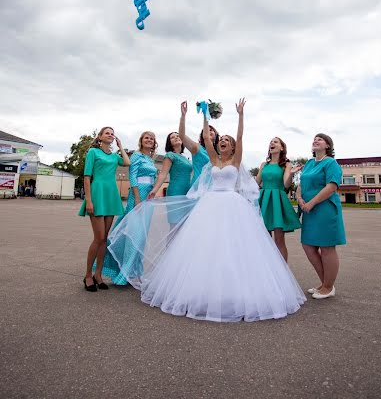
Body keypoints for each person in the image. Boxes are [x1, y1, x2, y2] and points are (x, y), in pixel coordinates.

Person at [108, 100, 305, 322]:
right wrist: (202, 117)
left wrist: (240, 115)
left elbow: (240, 137)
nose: (223, 142)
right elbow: (204, 139)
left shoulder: (236, 159)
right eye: (221, 140)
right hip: (210, 204)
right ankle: (203, 287)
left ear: (232, 147)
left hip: (231, 205)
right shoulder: (212, 159)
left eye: (226, 141)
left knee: (232, 246)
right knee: (205, 246)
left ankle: (233, 288)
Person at [101, 131, 158, 285]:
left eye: (152, 139)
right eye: (146, 138)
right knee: (135, 236)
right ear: (141, 140)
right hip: (138, 196)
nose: (149, 140)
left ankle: (134, 272)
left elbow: (153, 178)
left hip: (149, 198)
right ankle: (123, 274)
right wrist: (137, 198)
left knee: (141, 238)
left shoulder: (150, 159)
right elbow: (132, 176)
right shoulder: (137, 156)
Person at [78, 127, 130, 292]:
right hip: (97, 193)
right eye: (107, 132)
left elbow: (127, 163)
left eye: (112, 133)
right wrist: (88, 200)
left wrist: (120, 146)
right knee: (98, 238)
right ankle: (87, 275)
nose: (110, 135)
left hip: (111, 195)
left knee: (105, 238)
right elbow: (87, 177)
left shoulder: (115, 156)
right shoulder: (93, 152)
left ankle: (98, 275)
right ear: (100, 137)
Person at [297, 133, 346, 299]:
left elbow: (332, 186)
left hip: (324, 208)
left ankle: (328, 286)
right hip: (309, 210)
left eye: (320, 139)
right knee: (308, 246)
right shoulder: (309, 163)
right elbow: (301, 184)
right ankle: (325, 282)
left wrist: (311, 203)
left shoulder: (331, 163)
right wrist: (300, 199)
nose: (316, 140)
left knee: (326, 247)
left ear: (327, 145)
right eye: (314, 139)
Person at [256, 137, 302, 261]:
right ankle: (268, 270)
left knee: (279, 240)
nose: (272, 143)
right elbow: (256, 183)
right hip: (264, 201)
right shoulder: (263, 164)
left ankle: (283, 274)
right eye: (271, 141)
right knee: (264, 239)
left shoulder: (286, 165)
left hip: (277, 202)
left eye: (275, 142)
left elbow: (286, 185)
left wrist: (291, 174)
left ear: (281, 148)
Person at [148, 132, 193, 229]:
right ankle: (170, 245)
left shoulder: (185, 157)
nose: (176, 138)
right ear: (170, 143)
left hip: (187, 193)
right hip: (175, 192)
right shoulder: (170, 155)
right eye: (173, 137)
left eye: (178, 136)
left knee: (184, 225)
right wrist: (155, 190)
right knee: (175, 225)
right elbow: (163, 174)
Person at [178, 101, 219, 181]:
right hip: (198, 187)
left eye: (212, 130)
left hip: (215, 187)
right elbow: (182, 136)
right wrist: (183, 116)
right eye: (207, 130)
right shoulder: (197, 148)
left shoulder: (219, 152)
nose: (209, 131)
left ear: (216, 134)